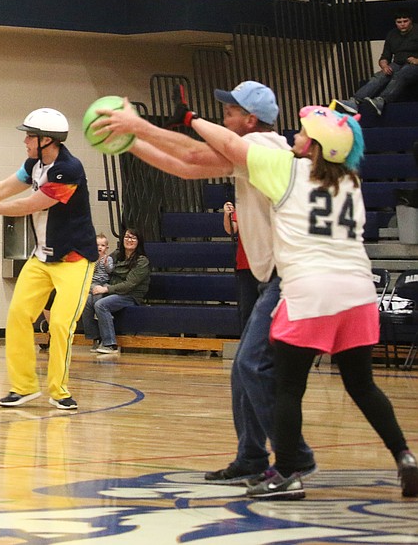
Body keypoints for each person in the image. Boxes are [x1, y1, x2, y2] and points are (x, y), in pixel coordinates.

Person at [186, 102, 416, 500]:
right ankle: (406, 458)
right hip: (358, 292)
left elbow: (229, 143)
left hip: (311, 291)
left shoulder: (287, 170)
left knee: (289, 388)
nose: (297, 134)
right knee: (363, 386)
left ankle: (288, 473)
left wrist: (191, 120)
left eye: (305, 132)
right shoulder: (352, 181)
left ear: (317, 146)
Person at [94, 81, 314, 485]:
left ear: (249, 120)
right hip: (271, 277)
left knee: (251, 364)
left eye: (229, 111)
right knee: (244, 370)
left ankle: (293, 456)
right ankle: (251, 455)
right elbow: (187, 166)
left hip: (292, 277)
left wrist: (138, 127)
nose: (223, 115)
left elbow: (194, 152)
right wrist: (128, 142)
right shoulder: (251, 152)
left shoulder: (265, 148)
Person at [0, 108, 97, 411]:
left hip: (75, 259)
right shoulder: (34, 164)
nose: (25, 140)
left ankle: (59, 391)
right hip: (42, 259)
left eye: (30, 135)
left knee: (62, 324)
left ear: (47, 139)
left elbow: (31, 204)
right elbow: (4, 187)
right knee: (18, 315)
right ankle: (24, 387)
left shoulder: (68, 170)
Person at [336, 9, 418, 116]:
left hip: (414, 65)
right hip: (398, 63)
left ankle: (382, 100)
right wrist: (384, 65)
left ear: (410, 21)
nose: (402, 24)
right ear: (395, 23)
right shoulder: (392, 34)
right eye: (399, 22)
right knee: (380, 76)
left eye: (405, 21)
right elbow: (385, 56)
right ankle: (355, 101)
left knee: (402, 74)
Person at [81, 228, 149, 354]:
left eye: (133, 238)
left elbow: (129, 285)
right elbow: (102, 259)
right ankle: (96, 338)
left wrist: (106, 288)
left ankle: (110, 344)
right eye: (127, 237)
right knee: (87, 301)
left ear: (139, 242)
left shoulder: (142, 261)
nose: (129, 240)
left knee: (101, 304)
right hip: (113, 291)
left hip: (129, 296)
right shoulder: (117, 255)